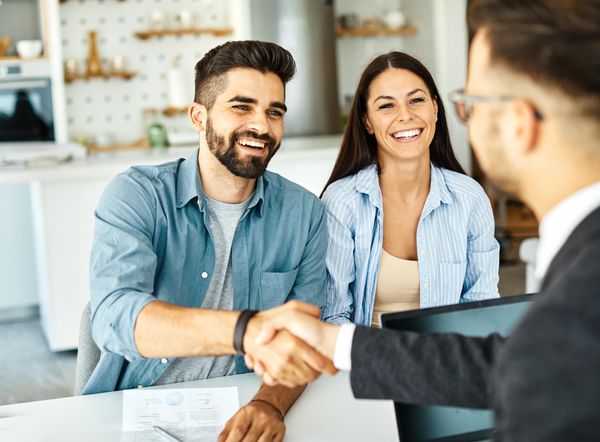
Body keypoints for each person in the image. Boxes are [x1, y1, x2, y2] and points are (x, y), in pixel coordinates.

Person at [248, 1, 600, 440]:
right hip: (379, 384)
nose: (407, 115)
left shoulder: (569, 262)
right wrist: (332, 342)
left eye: (470, 102)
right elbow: (513, 368)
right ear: (368, 122)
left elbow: (514, 365)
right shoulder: (575, 248)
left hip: (440, 390)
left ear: (518, 122)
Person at [85, 40, 335, 442]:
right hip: (138, 406)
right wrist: (245, 330)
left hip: (241, 405)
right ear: (199, 118)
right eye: (242, 107)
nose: (261, 126)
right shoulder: (137, 194)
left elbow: (301, 338)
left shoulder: (304, 213)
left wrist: (269, 402)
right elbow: (115, 317)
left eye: (275, 112)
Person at [322, 52, 499, 327]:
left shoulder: (470, 198)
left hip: (446, 359)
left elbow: (482, 308)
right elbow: (332, 317)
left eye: (416, 100)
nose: (405, 116)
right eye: (386, 106)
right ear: (367, 121)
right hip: (367, 360)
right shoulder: (342, 202)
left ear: (436, 109)